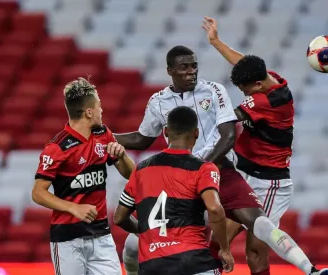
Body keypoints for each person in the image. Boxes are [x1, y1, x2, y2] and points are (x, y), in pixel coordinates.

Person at [114, 45, 324, 275]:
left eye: (194, 65)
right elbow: (142, 138)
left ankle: (312, 271)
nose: (191, 71)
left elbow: (229, 135)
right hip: (179, 179)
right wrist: (106, 137)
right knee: (136, 244)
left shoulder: (214, 90)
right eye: (184, 67)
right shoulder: (158, 101)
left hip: (221, 171)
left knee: (259, 224)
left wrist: (202, 167)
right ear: (170, 70)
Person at [202, 16, 328, 275]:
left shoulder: (266, 103)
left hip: (268, 183)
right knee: (215, 242)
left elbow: (227, 119)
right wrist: (215, 41)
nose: (245, 93)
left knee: (254, 252)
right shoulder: (268, 80)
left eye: (245, 90)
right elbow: (243, 63)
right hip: (243, 174)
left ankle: (312, 272)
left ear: (258, 85)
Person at [32, 77, 135, 275]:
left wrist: (121, 155)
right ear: (89, 112)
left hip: (101, 235)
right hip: (68, 239)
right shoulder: (57, 147)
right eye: (99, 106)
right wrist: (74, 208)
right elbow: (37, 192)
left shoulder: (103, 135)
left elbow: (131, 174)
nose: (101, 110)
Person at [113, 106, 234, 275]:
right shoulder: (204, 169)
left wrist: (146, 233)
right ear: (196, 133)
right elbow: (214, 208)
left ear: (166, 132)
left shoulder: (141, 169)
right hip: (193, 262)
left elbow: (119, 217)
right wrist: (225, 249)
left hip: (153, 265)